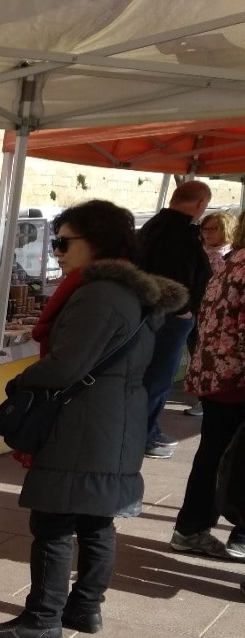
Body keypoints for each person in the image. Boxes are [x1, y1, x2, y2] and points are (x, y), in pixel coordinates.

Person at [0, 200, 187, 638]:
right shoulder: (132, 292)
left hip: (84, 422)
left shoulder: (99, 293)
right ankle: (85, 608)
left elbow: (65, 365)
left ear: (98, 241)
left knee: (54, 522)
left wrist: (20, 383)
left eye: (63, 242)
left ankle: (43, 618)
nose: (56, 251)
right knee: (95, 521)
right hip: (115, 419)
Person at [171, 211, 245, 560]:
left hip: (219, 377)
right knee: (226, 457)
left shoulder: (232, 263)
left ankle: (192, 528)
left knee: (214, 455)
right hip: (235, 380)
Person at [138, 180, 212, 456]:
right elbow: (174, 277)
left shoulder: (156, 225)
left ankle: (147, 429)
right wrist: (184, 312)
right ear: (200, 204)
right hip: (168, 316)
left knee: (154, 376)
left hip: (156, 313)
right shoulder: (177, 233)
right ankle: (144, 434)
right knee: (158, 377)